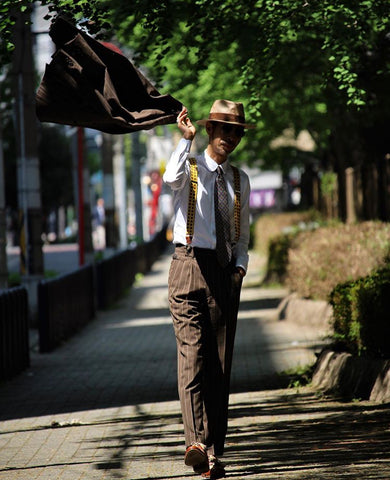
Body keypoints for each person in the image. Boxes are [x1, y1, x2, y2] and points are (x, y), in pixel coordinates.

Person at [163, 99, 254, 479]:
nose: (231, 137)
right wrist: (185, 141)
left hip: (223, 273)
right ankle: (195, 442)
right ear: (210, 130)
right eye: (225, 129)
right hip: (186, 266)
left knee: (220, 363)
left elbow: (242, 235)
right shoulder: (191, 168)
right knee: (193, 356)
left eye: (236, 131)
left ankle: (215, 452)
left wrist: (240, 269)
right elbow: (170, 178)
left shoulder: (240, 180)